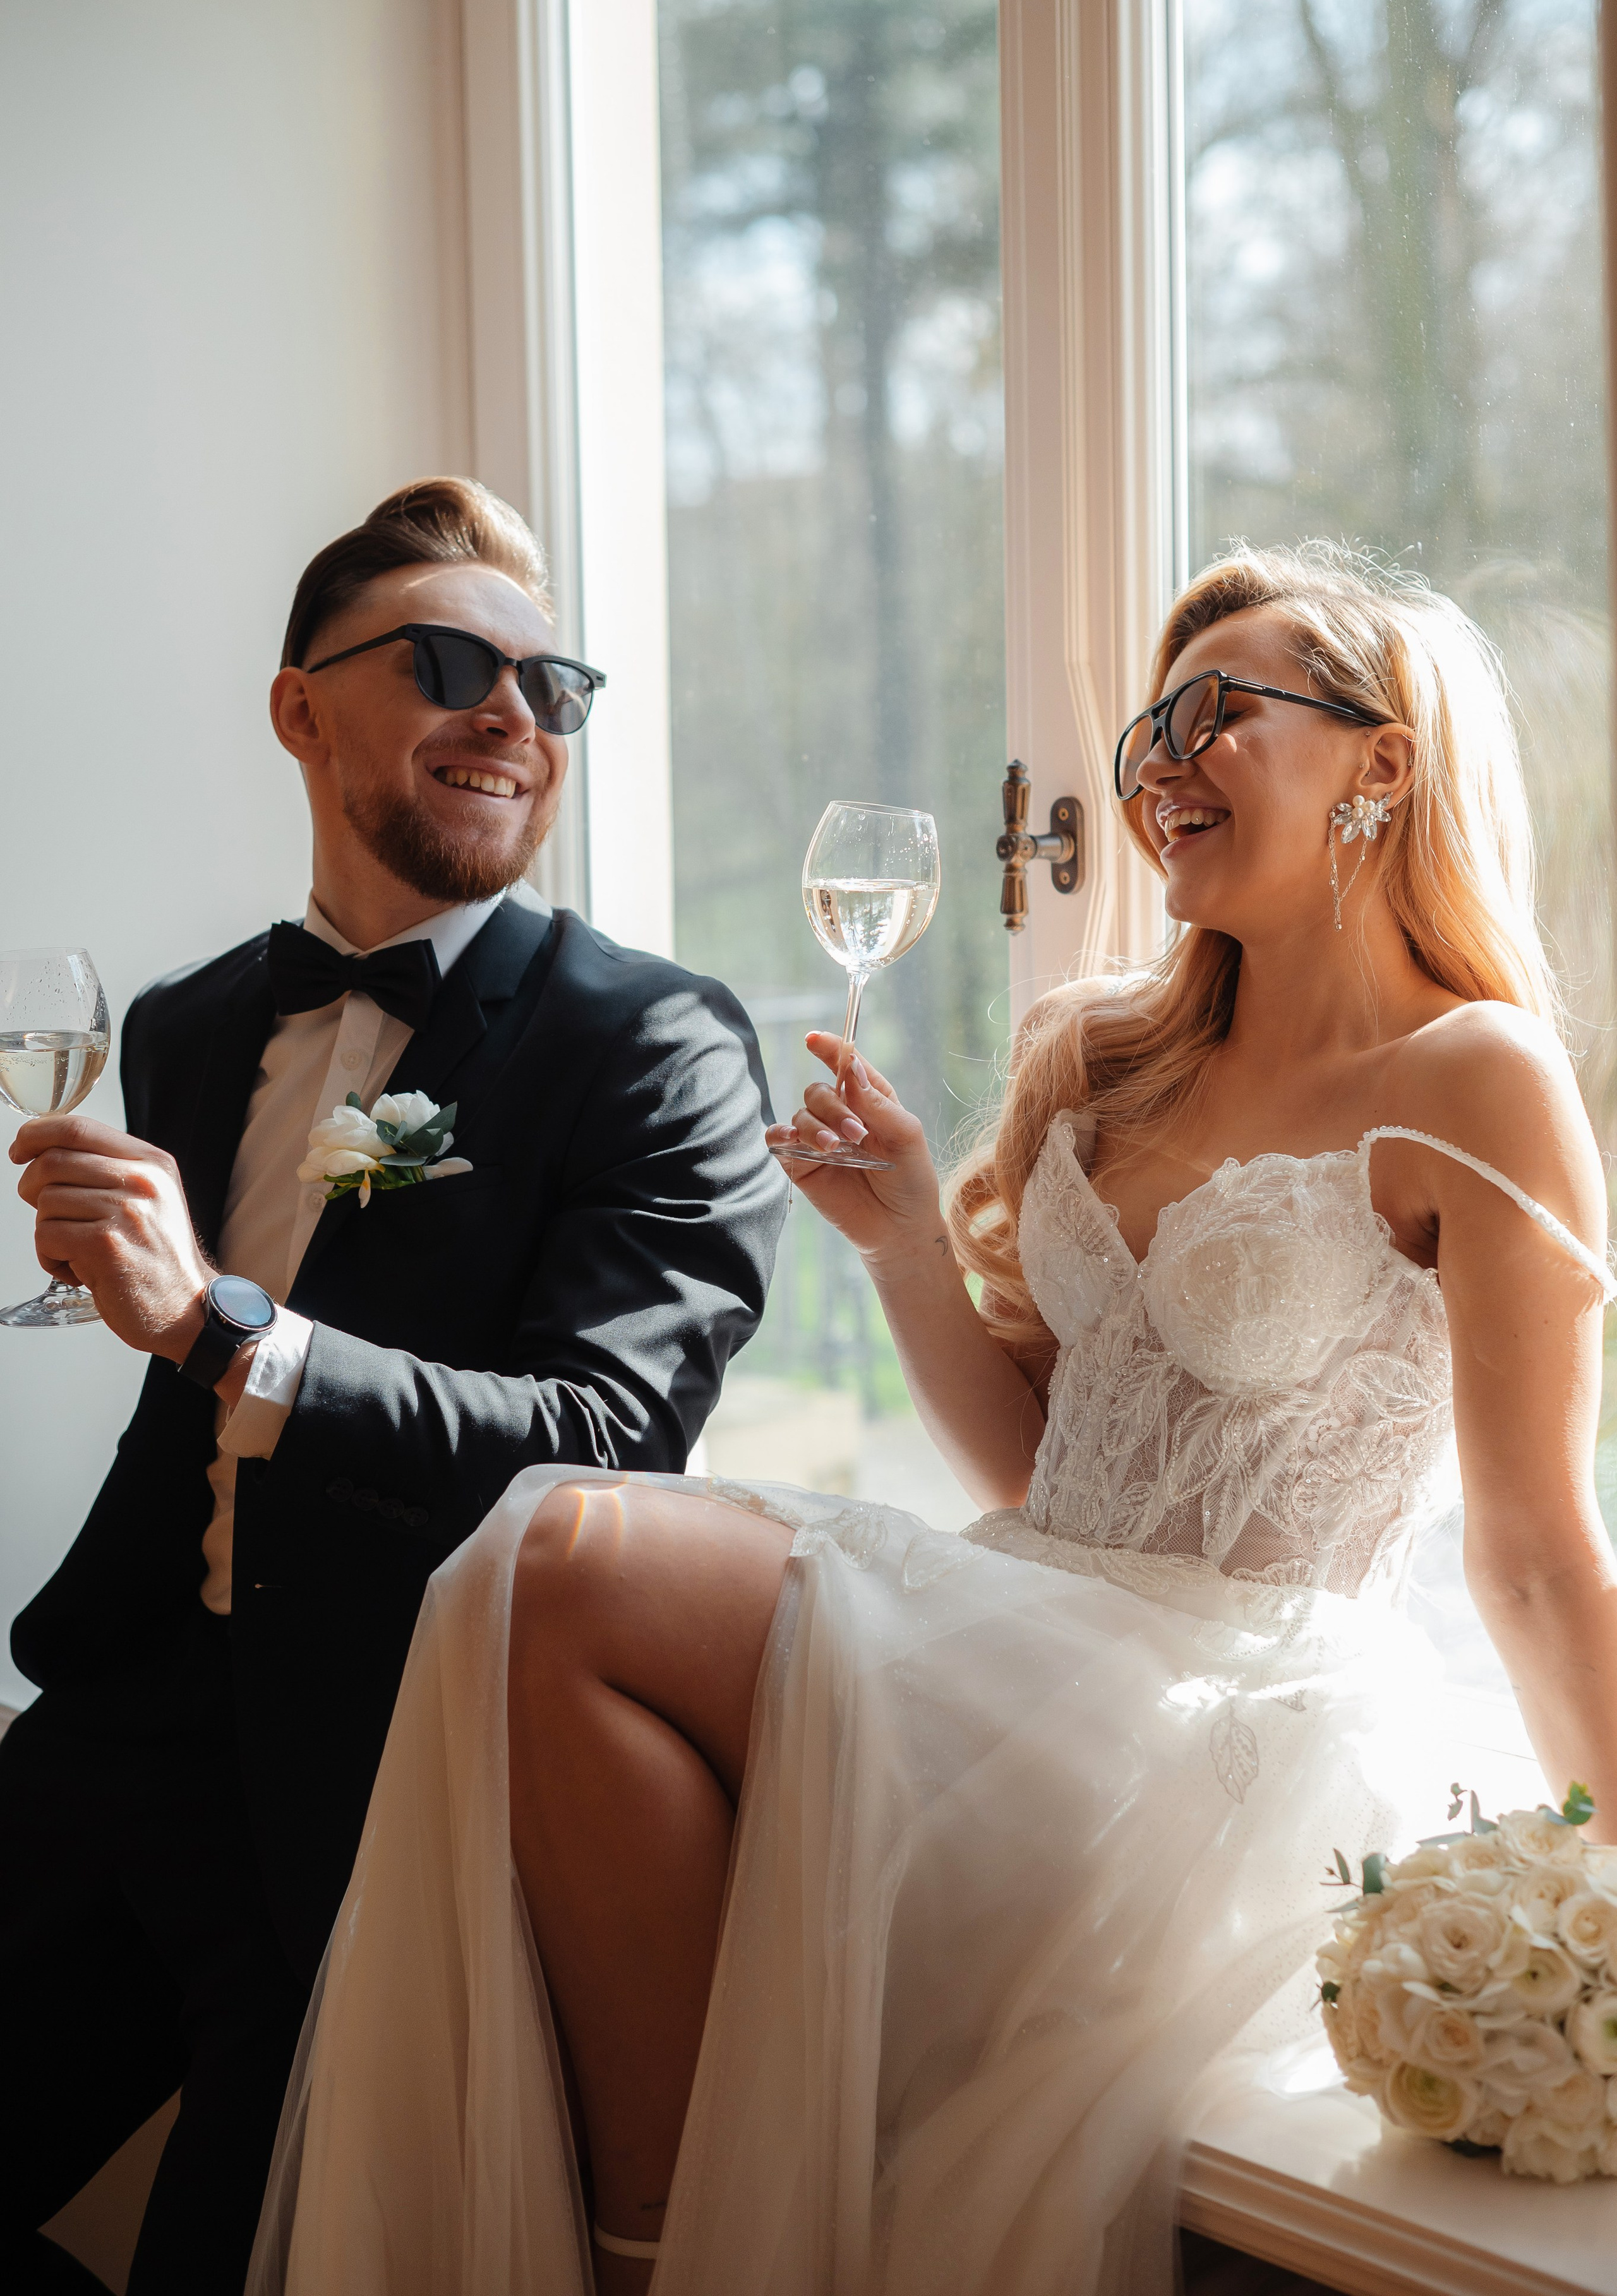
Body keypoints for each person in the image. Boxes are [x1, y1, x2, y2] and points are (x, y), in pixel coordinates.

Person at [248, 543, 1617, 2296]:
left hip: (1230, 1719)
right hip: (1035, 1637)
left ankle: (666, 2262)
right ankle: (680, 2239)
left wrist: (1599, 1872)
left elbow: (1533, 1548)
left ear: (1383, 759)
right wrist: (905, 1236)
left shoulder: (1471, 1074)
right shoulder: (1107, 1053)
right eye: (1143, 734)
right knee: (536, 1581)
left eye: (1217, 714)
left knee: (563, 1546)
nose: (1157, 768)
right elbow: (1051, 1473)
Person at [0, 477, 786, 2295]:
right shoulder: (191, 1027)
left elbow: (608, 1444)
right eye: (449, 663)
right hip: (122, 1722)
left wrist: (226, 1328)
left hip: (381, 1797)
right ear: (301, 708)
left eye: (554, 687)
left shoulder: (654, 1041)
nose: (514, 716)